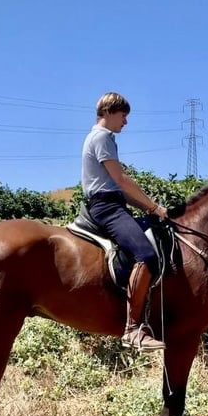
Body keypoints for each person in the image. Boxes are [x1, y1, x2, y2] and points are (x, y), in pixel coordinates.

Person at [81, 92, 168, 352]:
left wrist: (152, 210)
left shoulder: (101, 138)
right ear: (108, 111)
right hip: (106, 208)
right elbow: (120, 180)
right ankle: (132, 329)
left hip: (113, 204)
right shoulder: (102, 137)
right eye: (123, 116)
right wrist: (153, 205)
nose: (126, 122)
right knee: (146, 255)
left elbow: (122, 190)